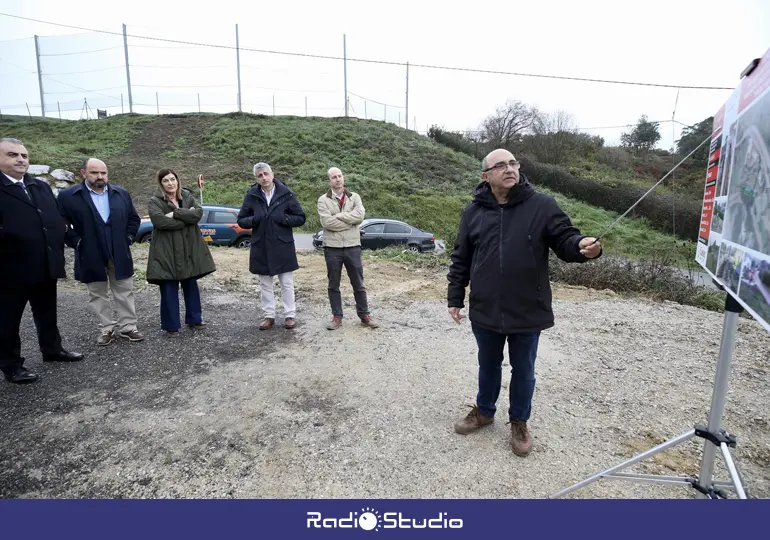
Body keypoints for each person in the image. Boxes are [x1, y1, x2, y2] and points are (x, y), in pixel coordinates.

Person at [447, 148, 602, 457]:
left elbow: (565, 239)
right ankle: (485, 411)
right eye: (501, 165)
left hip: (527, 308)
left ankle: (519, 421)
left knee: (524, 370)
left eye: (513, 163)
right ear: (486, 175)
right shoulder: (473, 212)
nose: (510, 168)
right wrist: (455, 297)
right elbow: (461, 257)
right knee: (488, 364)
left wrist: (584, 247)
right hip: (486, 307)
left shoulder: (542, 205)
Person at [0, 138, 83, 384]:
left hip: (45, 263)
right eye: (12, 155)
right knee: (7, 320)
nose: (20, 160)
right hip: (9, 269)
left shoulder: (39, 186)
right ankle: (11, 365)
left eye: (24, 155)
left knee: (47, 313)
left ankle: (52, 350)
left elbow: (55, 219)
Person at [58, 158, 145, 346]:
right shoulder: (68, 196)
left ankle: (128, 327)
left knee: (124, 290)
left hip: (119, 252)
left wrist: (128, 239)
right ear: (83, 173)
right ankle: (107, 329)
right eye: (94, 173)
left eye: (103, 173)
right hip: (89, 253)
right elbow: (60, 223)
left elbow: (134, 219)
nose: (100, 176)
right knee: (97, 293)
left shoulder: (120, 193)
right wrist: (77, 242)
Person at [146, 169, 216, 337]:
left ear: (177, 180)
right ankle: (171, 327)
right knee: (168, 287)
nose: (170, 183)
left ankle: (195, 319)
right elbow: (159, 221)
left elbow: (198, 214)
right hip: (166, 251)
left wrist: (176, 213)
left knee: (191, 285)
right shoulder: (155, 201)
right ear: (160, 183)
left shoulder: (187, 196)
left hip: (188, 249)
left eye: (173, 179)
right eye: (166, 180)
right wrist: (185, 220)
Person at [237, 162, 306, 330]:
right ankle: (269, 316)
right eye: (260, 175)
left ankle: (290, 315)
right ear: (256, 178)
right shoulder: (252, 195)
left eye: (266, 174)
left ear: (272, 174)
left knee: (287, 283)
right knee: (265, 284)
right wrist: (254, 220)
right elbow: (241, 219)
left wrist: (284, 219)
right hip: (261, 246)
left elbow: (300, 217)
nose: (264, 178)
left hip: (283, 245)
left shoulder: (286, 194)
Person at [317, 167, 378, 330]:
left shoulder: (355, 197)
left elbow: (360, 217)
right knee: (333, 284)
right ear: (329, 181)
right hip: (332, 248)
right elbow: (327, 223)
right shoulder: (323, 200)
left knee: (358, 283)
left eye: (340, 176)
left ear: (343, 178)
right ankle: (337, 316)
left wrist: (340, 216)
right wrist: (350, 222)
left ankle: (364, 315)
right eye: (334, 177)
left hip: (353, 247)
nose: (338, 179)